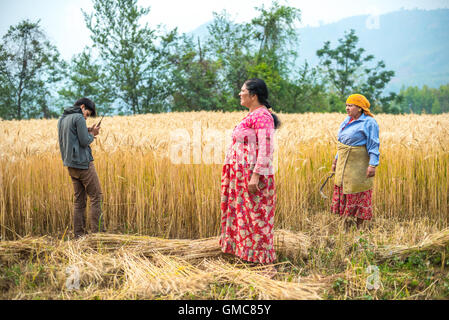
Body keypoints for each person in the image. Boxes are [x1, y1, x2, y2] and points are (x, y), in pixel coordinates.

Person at [220, 78, 281, 275]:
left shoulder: (263, 116)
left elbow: (266, 149)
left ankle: (265, 264)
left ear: (253, 95)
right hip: (241, 174)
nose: (240, 94)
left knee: (257, 216)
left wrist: (255, 176)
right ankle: (248, 256)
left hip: (252, 175)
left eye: (242, 91)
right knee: (245, 214)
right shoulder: (253, 114)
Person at [330, 94, 380, 229]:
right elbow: (342, 143)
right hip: (343, 163)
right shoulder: (347, 120)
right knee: (343, 188)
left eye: (350, 105)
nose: (347, 108)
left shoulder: (369, 122)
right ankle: (345, 224)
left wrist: (372, 165)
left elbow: (373, 144)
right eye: (346, 105)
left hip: (358, 165)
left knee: (358, 190)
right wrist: (335, 160)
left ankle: (359, 227)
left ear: (360, 108)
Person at [57, 98, 105, 238]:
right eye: (88, 114)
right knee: (96, 197)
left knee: (79, 201)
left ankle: (79, 235)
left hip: (71, 165)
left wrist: (87, 129)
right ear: (82, 107)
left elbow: (70, 136)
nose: (86, 116)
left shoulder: (63, 118)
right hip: (84, 164)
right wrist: (92, 134)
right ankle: (98, 235)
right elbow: (84, 141)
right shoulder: (78, 117)